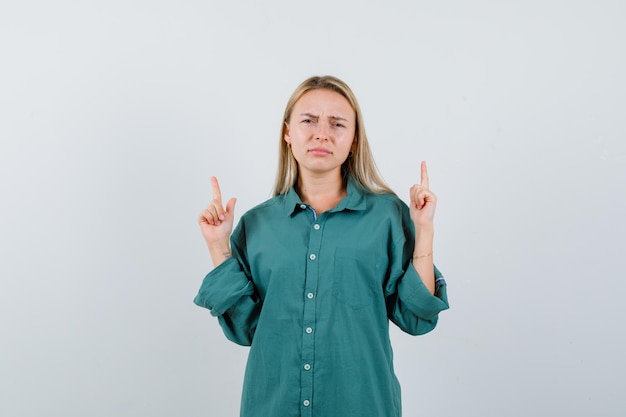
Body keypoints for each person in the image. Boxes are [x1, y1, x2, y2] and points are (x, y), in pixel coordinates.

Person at [194, 75, 449, 417]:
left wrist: (424, 230)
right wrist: (218, 246)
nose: (322, 133)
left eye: (337, 123)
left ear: (354, 139)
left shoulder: (388, 217)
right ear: (288, 133)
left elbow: (418, 319)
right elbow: (246, 330)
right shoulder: (256, 226)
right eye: (309, 120)